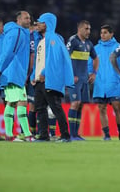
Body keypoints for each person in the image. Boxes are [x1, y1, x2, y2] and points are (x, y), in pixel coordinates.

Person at [0, 11, 34, 141]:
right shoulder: (17, 32)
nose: (29, 20)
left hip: (10, 73)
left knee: (11, 103)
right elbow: (9, 52)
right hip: (14, 72)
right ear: (19, 20)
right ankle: (27, 135)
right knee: (22, 103)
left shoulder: (16, 32)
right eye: (26, 18)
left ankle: (9, 134)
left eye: (29, 18)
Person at [34, 13, 74, 142]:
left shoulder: (53, 38)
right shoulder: (41, 40)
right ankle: (44, 135)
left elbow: (55, 60)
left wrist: (44, 73)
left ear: (46, 24)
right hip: (39, 81)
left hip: (48, 80)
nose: (37, 25)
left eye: (40, 22)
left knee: (56, 108)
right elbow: (39, 60)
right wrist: (34, 75)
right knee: (40, 109)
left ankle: (65, 136)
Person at [90, 24, 120, 141]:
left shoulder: (118, 47)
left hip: (113, 84)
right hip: (100, 84)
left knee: (117, 108)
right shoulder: (95, 48)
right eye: (101, 33)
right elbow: (91, 65)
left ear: (111, 34)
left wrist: (118, 79)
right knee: (102, 108)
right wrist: (91, 75)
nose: (102, 35)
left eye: (105, 33)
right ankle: (107, 135)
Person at [66, 20, 99, 141]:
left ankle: (76, 134)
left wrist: (94, 73)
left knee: (80, 105)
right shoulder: (73, 41)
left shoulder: (89, 44)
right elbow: (66, 58)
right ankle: (70, 134)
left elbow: (96, 59)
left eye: (89, 29)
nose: (89, 31)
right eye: (86, 29)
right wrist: (70, 75)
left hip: (84, 79)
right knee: (75, 103)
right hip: (74, 79)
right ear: (79, 29)